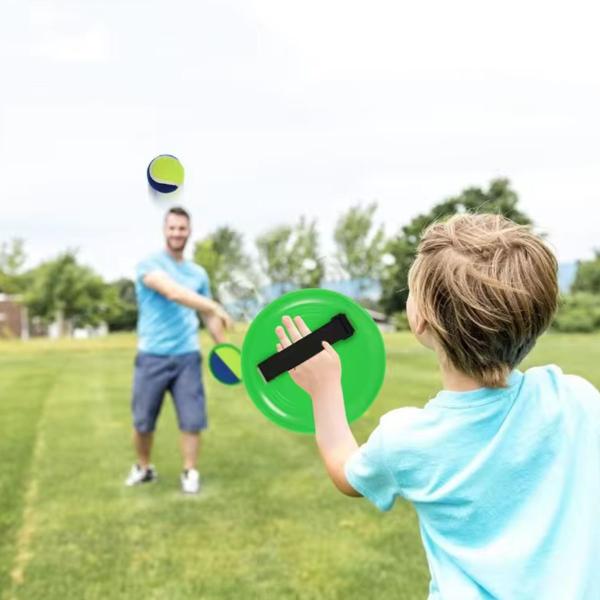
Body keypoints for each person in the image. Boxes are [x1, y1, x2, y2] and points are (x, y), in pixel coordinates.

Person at [274, 213, 600, 599]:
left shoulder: (408, 440)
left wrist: (325, 391)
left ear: (422, 321)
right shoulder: (576, 398)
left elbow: (346, 473)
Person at [125, 206, 232, 494]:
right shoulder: (149, 265)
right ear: (164, 230)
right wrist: (213, 305)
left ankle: (190, 471)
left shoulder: (198, 273)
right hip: (152, 355)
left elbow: (207, 316)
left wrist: (225, 349)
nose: (177, 233)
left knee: (192, 419)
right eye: (172, 227)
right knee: (143, 422)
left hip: (187, 355)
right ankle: (144, 467)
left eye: (182, 228)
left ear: (189, 231)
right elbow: (173, 292)